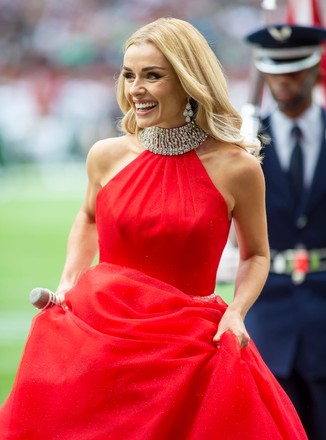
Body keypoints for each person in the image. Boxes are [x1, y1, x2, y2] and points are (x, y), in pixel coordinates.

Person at [0, 17, 306, 440]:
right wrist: (69, 281)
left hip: (190, 351)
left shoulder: (238, 168)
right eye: (128, 75)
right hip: (98, 337)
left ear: (188, 81)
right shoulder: (105, 155)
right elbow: (88, 216)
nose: (135, 89)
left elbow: (256, 254)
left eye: (152, 76)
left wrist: (236, 312)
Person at [244, 24, 326, 440]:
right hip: (267, 307)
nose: (283, 81)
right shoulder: (244, 145)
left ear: (315, 69)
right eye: (274, 72)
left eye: (294, 71)